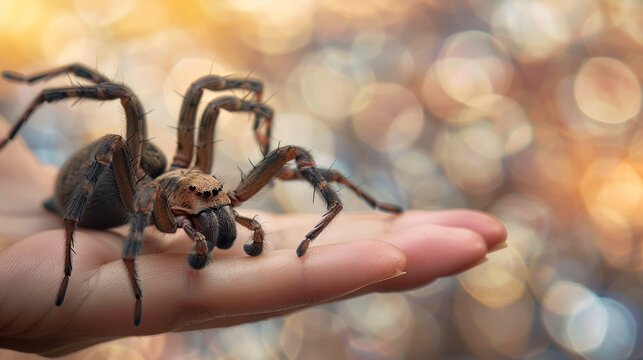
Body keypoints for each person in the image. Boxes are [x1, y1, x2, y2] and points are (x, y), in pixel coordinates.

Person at [0, 119, 506, 357]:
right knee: (117, 133)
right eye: (207, 201)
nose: (219, 205)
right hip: (93, 194)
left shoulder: (218, 193)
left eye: (220, 198)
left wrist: (334, 200)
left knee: (284, 147)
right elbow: (139, 193)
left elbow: (287, 155)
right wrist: (122, 265)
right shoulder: (149, 195)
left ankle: (352, 201)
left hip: (131, 193)